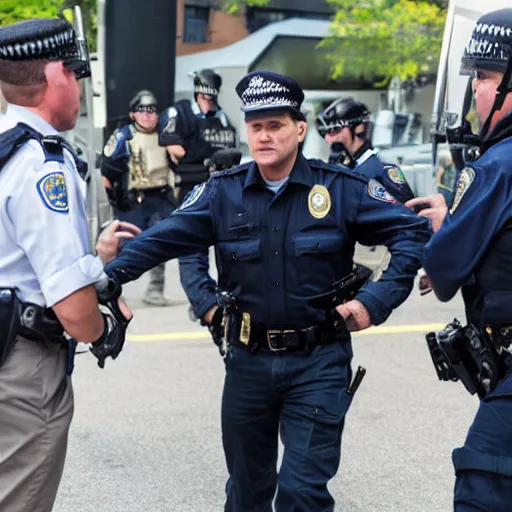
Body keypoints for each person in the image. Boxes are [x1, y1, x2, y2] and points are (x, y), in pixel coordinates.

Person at [102, 69, 430, 511]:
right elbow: (162, 240)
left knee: (301, 493)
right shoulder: (222, 193)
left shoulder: (341, 189)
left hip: (319, 362)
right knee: (246, 494)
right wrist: (108, 278)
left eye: (275, 125)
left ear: (299, 128)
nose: (264, 136)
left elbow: (412, 235)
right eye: (256, 126)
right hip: (248, 364)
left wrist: (376, 301)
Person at [0, 18, 136, 511]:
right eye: (75, 73)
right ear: (56, 74)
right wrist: (103, 330)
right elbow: (73, 311)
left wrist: (92, 261)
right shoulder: (42, 165)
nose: (77, 85)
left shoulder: (5, 147)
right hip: (22, 369)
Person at [405, 8, 512, 511]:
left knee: (482, 484)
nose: (475, 89)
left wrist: (445, 223)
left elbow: (444, 271)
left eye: (486, 76)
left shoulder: (495, 165)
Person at [160, 68, 237, 320]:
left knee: (230, 249)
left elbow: (230, 149)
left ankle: (224, 299)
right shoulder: (179, 112)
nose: (208, 103)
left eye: (211, 98)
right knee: (192, 252)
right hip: (190, 189)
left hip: (222, 188)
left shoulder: (222, 117)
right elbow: (177, 150)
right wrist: (204, 156)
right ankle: (205, 306)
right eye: (204, 97)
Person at [101, 90, 177, 307]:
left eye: (152, 110)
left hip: (159, 197)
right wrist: (115, 199)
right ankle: (110, 287)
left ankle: (155, 289)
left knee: (162, 241)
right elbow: (107, 171)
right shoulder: (123, 136)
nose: (147, 115)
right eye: (141, 110)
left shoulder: (166, 135)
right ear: (133, 114)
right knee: (123, 246)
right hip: (132, 198)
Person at [316, 97, 415, 204]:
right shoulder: (336, 169)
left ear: (359, 127)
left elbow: (407, 211)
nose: (329, 139)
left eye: (336, 130)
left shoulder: (383, 170)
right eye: (325, 133)